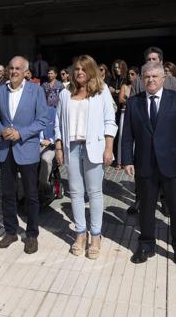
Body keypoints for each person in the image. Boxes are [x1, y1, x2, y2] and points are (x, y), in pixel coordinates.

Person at [121, 61, 176, 272]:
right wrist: (127, 159)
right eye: (147, 77)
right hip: (144, 165)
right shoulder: (134, 102)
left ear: (164, 79)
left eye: (155, 76)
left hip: (174, 165)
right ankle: (146, 245)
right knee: (145, 208)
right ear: (141, 80)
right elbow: (127, 135)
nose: (151, 80)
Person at [54, 55, 117, 259]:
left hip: (94, 147)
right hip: (71, 147)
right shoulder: (65, 92)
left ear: (91, 70)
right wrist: (58, 147)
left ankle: (96, 235)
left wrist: (109, 148)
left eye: (84, 68)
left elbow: (110, 120)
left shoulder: (101, 91)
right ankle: (81, 233)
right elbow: (57, 121)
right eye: (77, 69)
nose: (79, 72)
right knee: (75, 192)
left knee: (95, 192)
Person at [0, 56, 48, 254]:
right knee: (7, 193)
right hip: (6, 149)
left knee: (31, 195)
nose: (14, 71)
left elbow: (42, 120)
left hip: (27, 148)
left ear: (25, 71)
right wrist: (1, 130)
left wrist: (20, 133)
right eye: (11, 68)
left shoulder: (36, 90)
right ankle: (10, 231)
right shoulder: (1, 90)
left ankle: (32, 235)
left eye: (18, 68)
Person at [127, 47, 176, 215]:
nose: (151, 62)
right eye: (148, 59)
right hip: (144, 135)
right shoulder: (138, 81)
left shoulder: (170, 81)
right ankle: (139, 200)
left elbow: (175, 109)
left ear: (161, 62)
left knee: (165, 171)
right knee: (142, 173)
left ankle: (165, 202)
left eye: (154, 59)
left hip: (164, 135)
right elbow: (132, 108)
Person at [117, 66, 139, 166]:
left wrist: (129, 100)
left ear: (137, 75)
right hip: (124, 112)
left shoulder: (141, 86)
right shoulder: (125, 86)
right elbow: (121, 100)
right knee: (123, 135)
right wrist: (132, 101)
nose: (130, 76)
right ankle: (121, 161)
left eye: (132, 74)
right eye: (129, 74)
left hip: (137, 113)